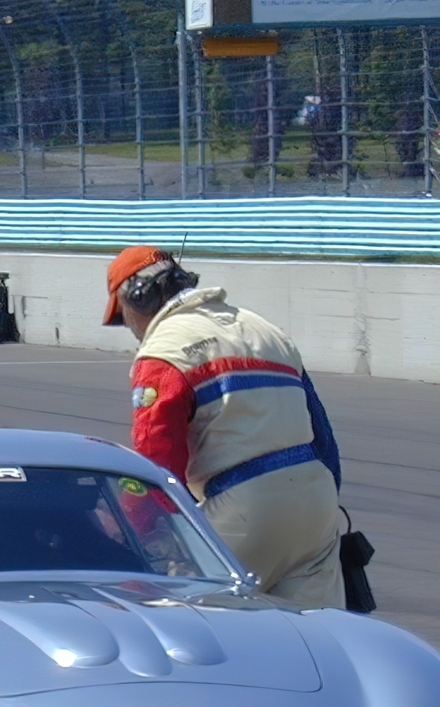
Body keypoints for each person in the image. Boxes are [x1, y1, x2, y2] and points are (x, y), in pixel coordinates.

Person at [105, 245, 344, 608]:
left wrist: (137, 535)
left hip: (243, 509)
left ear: (138, 299)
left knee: (182, 625)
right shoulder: (265, 329)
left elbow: (157, 462)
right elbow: (323, 438)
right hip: (317, 503)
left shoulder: (165, 350)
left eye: (122, 318)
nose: (130, 330)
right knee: (315, 641)